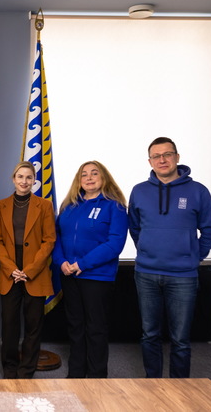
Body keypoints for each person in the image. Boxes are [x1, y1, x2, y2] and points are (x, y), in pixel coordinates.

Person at [129, 137, 211, 378]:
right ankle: (153, 385)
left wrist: (193, 256)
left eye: (167, 154)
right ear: (150, 161)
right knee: (149, 335)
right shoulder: (139, 191)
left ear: (177, 157)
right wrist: (146, 249)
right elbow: (135, 228)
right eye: (156, 156)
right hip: (146, 274)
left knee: (180, 339)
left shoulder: (198, 191)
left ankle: (179, 389)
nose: (162, 160)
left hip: (183, 276)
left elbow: (209, 231)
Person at [52, 161, 128, 378]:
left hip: (97, 276)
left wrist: (82, 264)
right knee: (75, 326)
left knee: (96, 328)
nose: (89, 177)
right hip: (68, 274)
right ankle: (76, 374)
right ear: (79, 180)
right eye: (84, 174)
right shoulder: (68, 206)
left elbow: (115, 244)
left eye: (94, 173)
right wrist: (61, 261)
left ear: (104, 177)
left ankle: (97, 377)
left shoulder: (114, 207)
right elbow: (57, 237)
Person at [0, 161, 56, 379]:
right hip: (10, 272)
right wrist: (12, 268)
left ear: (34, 180)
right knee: (9, 324)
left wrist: (30, 270)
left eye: (29, 177)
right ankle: (10, 368)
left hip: (34, 272)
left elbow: (49, 240)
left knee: (33, 325)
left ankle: (27, 369)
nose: (24, 181)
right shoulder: (0, 206)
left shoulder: (44, 206)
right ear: (13, 179)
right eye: (20, 177)